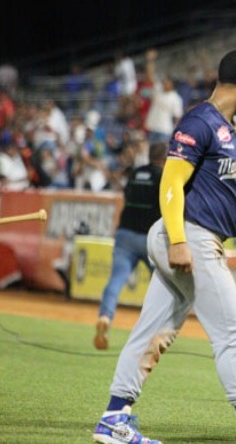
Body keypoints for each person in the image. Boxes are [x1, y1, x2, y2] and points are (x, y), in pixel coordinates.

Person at [92, 49, 236, 444]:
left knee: (155, 330)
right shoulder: (200, 121)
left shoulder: (226, 128)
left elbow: (230, 195)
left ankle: (114, 418)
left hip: (193, 235)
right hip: (187, 235)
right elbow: (170, 183)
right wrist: (180, 241)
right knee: (232, 329)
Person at [94, 142, 167, 350]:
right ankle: (156, 331)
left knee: (116, 280)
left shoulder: (136, 173)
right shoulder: (163, 176)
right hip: (149, 238)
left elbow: (127, 197)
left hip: (125, 234)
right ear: (164, 158)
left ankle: (105, 316)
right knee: (163, 285)